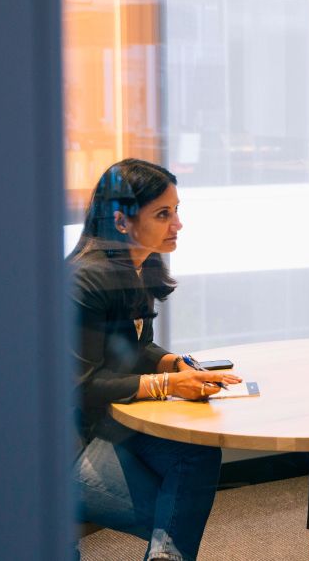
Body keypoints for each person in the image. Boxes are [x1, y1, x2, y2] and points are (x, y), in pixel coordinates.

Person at [71, 159, 240, 561]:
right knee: (175, 515)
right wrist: (166, 384)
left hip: (108, 425)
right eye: (163, 214)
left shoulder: (138, 265)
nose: (177, 223)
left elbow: (131, 347)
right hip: (66, 445)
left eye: (176, 210)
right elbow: (83, 386)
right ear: (122, 220)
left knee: (198, 452)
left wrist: (173, 364)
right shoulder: (84, 280)